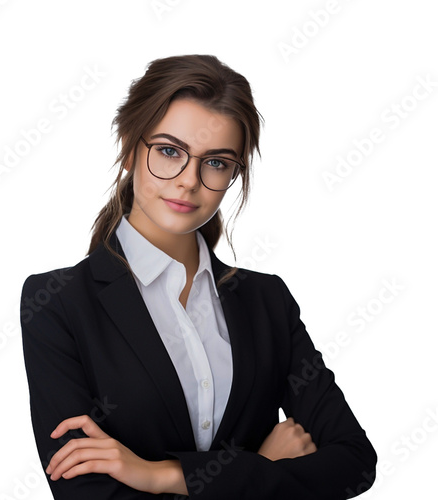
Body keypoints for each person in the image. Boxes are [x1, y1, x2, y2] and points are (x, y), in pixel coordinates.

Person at [20, 54, 377, 500]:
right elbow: (87, 495)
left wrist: (166, 476)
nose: (189, 180)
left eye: (217, 162)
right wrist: (263, 468)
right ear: (131, 148)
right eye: (169, 151)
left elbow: (355, 462)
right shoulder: (58, 303)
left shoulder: (266, 300)